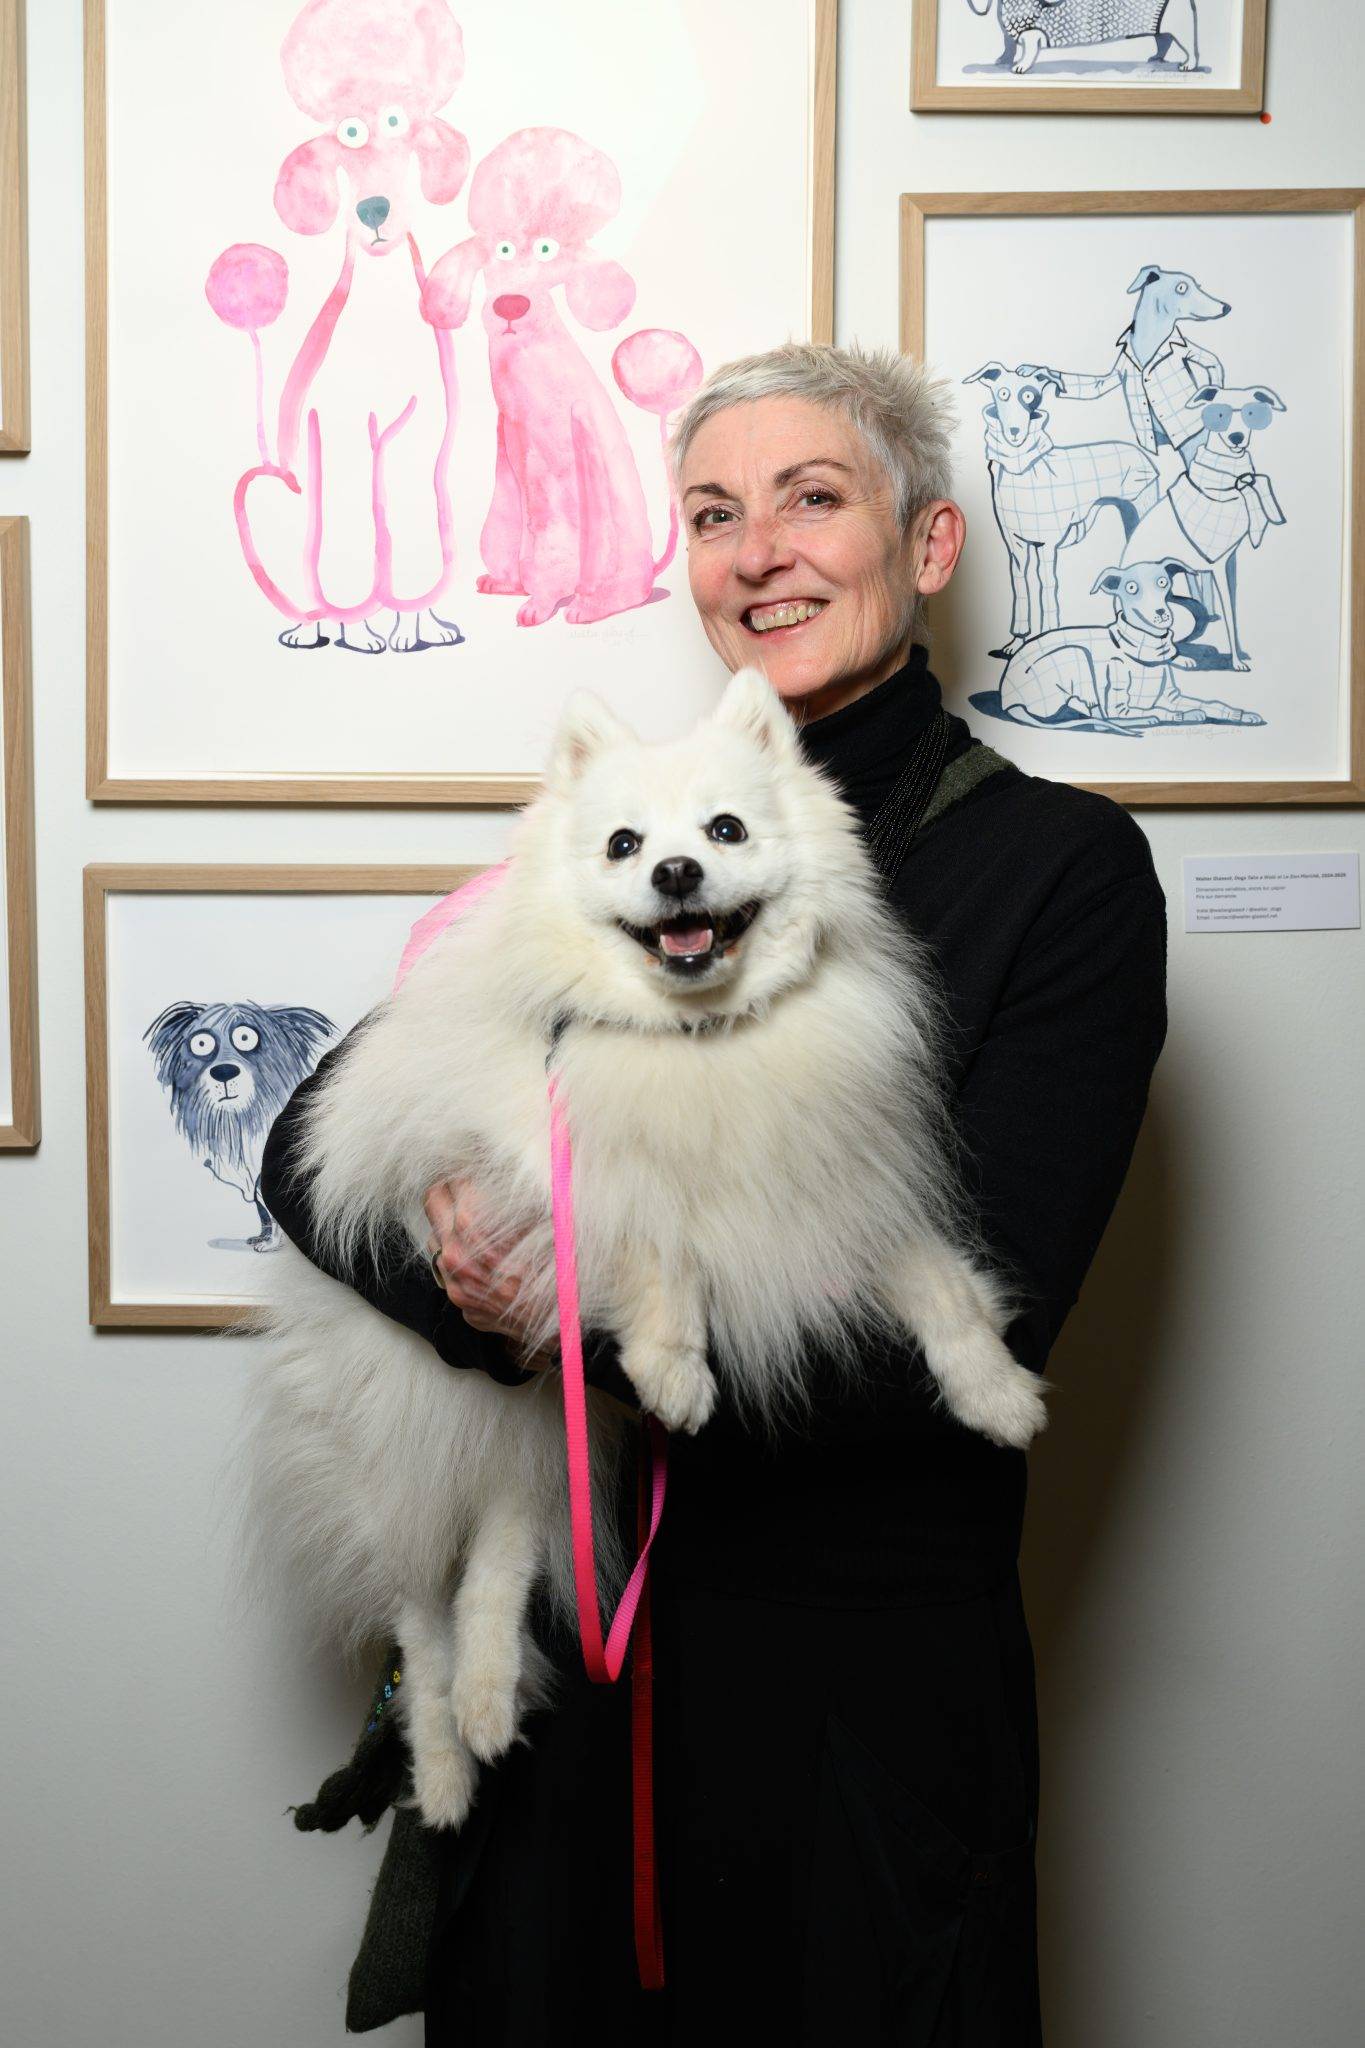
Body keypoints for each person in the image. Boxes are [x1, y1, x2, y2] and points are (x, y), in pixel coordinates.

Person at [260, 342, 1168, 2046]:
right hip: (570, 1705)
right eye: (710, 515)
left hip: (853, 1717)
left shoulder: (1056, 870)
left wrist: (568, 1317)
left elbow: (967, 1343)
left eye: (812, 499)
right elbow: (315, 1148)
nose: (757, 552)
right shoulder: (622, 834)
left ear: (926, 547)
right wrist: (465, 1274)